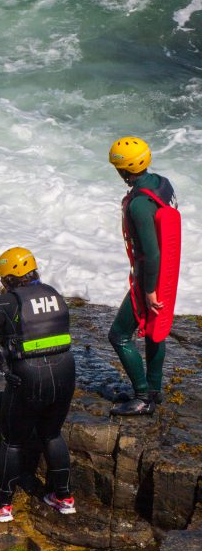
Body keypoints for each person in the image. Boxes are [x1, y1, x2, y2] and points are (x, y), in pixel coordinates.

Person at [0, 247, 76, 523]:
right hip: (65, 369)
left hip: (28, 375)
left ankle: (2, 504)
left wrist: (2, 366)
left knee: (12, 441)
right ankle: (63, 497)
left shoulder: (9, 301)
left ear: (9, 277)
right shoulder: (55, 293)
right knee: (52, 434)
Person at [107, 136, 180, 416]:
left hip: (151, 276)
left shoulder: (139, 204)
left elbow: (151, 253)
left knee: (119, 335)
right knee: (154, 331)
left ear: (123, 170)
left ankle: (142, 398)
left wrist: (149, 290)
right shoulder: (162, 183)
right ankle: (154, 390)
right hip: (169, 272)